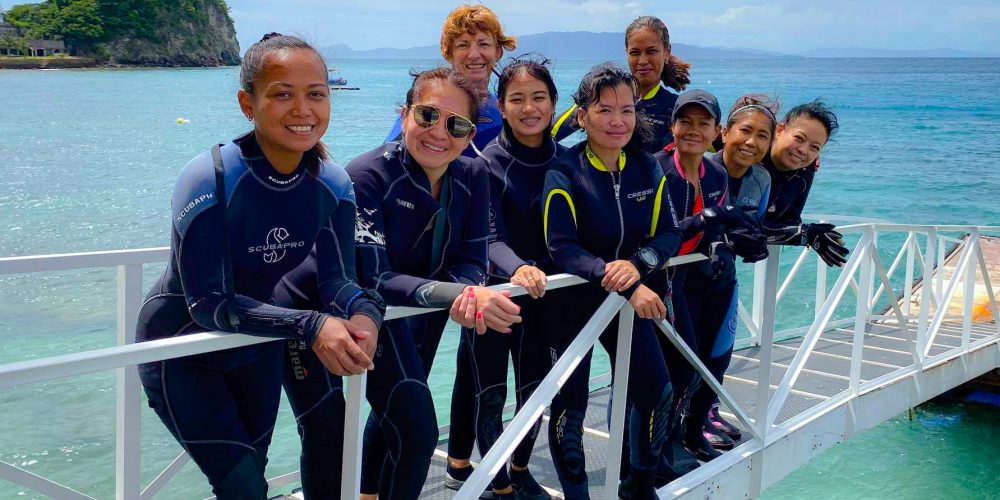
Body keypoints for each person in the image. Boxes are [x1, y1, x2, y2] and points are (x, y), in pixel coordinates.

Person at [134, 33, 385, 499]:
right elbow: (208, 303)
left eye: (316, 94)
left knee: (254, 479)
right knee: (243, 487)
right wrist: (311, 325)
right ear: (247, 103)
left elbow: (338, 281)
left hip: (257, 345)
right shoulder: (211, 177)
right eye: (282, 94)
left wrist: (366, 314)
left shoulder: (332, 183)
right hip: (181, 349)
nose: (302, 109)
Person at [350, 67, 522, 500]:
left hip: (427, 315)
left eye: (456, 125)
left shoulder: (473, 174)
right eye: (427, 115)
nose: (439, 133)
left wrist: (467, 291)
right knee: (418, 431)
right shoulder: (367, 175)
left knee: (395, 419)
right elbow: (374, 275)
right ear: (404, 114)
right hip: (367, 317)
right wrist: (459, 294)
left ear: (470, 135)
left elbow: (473, 256)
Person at [543, 62, 682, 499]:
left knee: (656, 392)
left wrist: (639, 264)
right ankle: (577, 494)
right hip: (573, 303)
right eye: (604, 110)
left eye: (627, 110)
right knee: (571, 407)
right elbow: (561, 246)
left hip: (626, 301)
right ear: (582, 116)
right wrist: (618, 276)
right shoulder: (564, 170)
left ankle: (637, 485)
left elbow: (669, 233)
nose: (617, 120)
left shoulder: (645, 167)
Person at [463, 55, 564, 500]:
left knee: (534, 391)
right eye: (517, 99)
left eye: (538, 97)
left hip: (547, 296)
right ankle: (498, 482)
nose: (529, 108)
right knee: (491, 393)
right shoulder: (486, 164)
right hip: (496, 294)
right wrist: (518, 267)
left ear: (553, 103)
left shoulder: (568, 161)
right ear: (501, 107)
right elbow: (488, 236)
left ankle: (520, 469)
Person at [653, 89, 757, 472]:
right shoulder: (656, 170)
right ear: (673, 126)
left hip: (692, 280)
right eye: (685, 121)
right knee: (680, 367)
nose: (693, 130)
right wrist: (704, 219)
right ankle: (661, 448)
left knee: (702, 365)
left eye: (703, 123)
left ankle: (686, 435)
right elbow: (654, 237)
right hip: (659, 280)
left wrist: (739, 238)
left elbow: (717, 228)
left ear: (716, 131)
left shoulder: (715, 173)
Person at [678, 95, 777, 460]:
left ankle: (695, 430)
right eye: (745, 131)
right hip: (685, 283)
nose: (751, 142)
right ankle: (673, 433)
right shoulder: (702, 168)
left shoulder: (762, 179)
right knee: (685, 363)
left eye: (762, 136)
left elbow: (754, 228)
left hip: (723, 282)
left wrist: (753, 242)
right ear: (724, 133)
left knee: (718, 359)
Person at [384, 4, 516, 158]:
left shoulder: (506, 112)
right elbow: (388, 160)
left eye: (484, 44)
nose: (474, 54)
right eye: (463, 45)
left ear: (498, 51)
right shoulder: (426, 109)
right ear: (449, 53)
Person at [551, 15, 690, 153]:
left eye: (651, 51)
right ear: (626, 53)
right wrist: (570, 161)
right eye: (635, 52)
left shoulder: (677, 108)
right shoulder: (601, 96)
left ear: (666, 52)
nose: (642, 60)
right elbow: (548, 134)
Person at [762, 100, 849, 267]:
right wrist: (805, 234)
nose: (803, 150)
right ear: (779, 130)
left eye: (814, 147)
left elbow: (789, 221)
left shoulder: (805, 169)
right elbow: (739, 226)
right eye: (799, 138)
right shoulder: (752, 155)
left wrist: (809, 234)